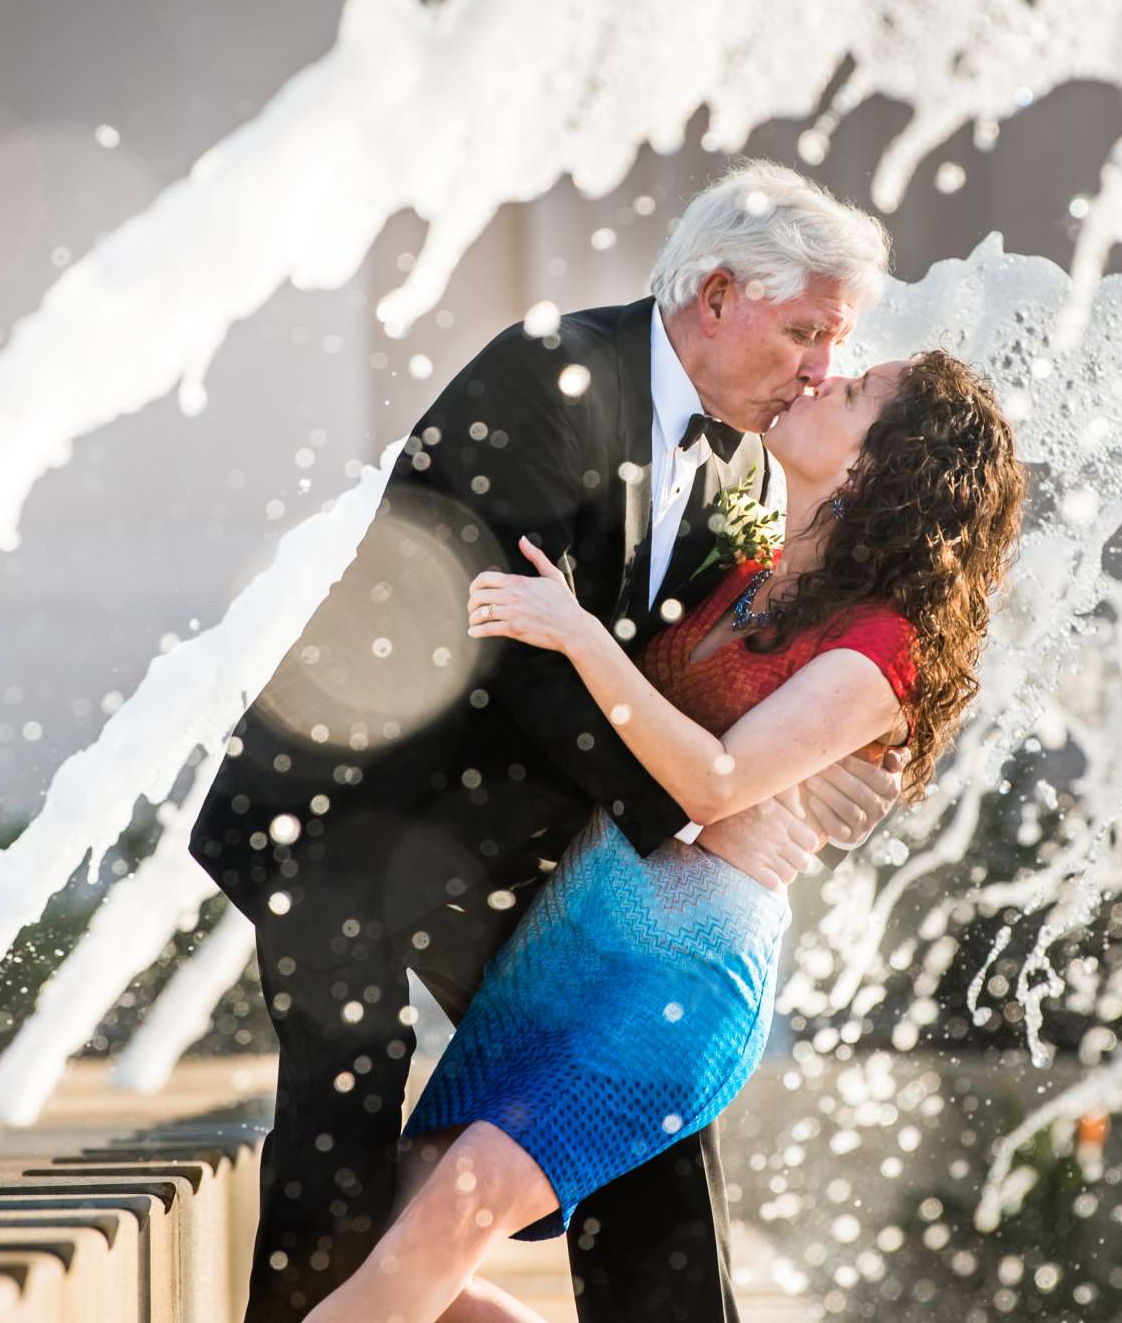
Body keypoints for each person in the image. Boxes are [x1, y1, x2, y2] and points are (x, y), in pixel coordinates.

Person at [189, 160, 914, 1323]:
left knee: (635, 1105)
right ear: (717, 294)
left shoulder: (744, 459)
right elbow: (510, 642)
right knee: (349, 1078)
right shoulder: (549, 374)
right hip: (341, 805)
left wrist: (810, 770)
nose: (822, 366)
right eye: (807, 331)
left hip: (500, 842)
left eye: (839, 341)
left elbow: (688, 682)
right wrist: (698, 807)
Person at [304, 347, 1026, 1323]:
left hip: (680, 978)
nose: (823, 377)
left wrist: (574, 629)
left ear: (873, 471)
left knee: (452, 1213)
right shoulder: (757, 566)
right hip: (578, 933)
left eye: (853, 392)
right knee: (414, 1212)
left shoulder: (883, 642)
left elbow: (711, 778)